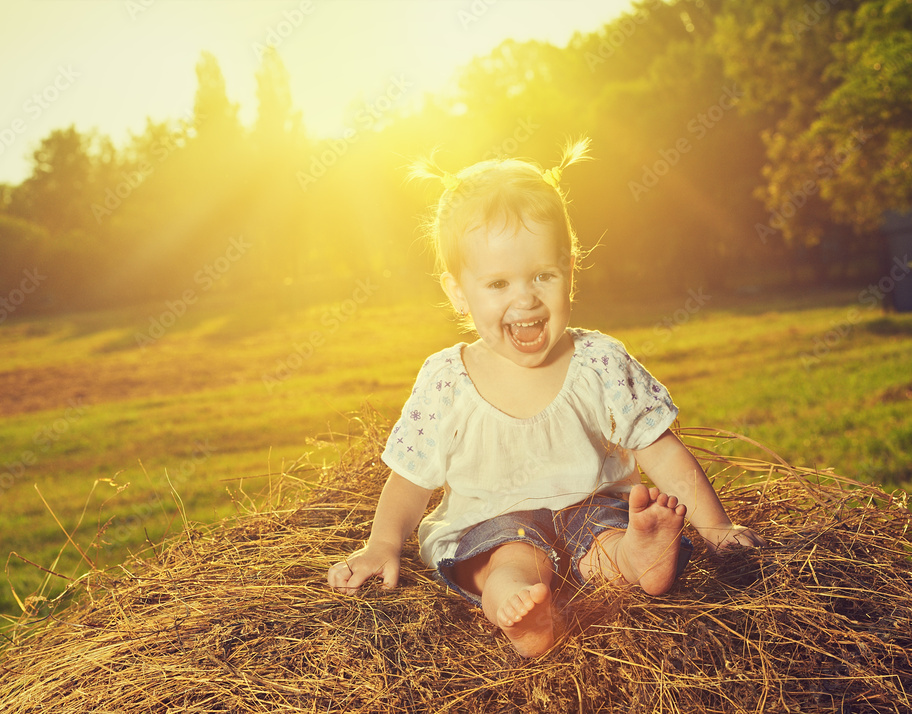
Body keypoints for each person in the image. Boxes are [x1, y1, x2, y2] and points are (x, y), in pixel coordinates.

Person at [326, 139, 765, 657]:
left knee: (605, 540)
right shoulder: (448, 378)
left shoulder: (599, 361)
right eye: (497, 282)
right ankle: (522, 614)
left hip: (593, 511)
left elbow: (660, 448)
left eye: (542, 275)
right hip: (491, 527)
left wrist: (716, 528)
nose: (525, 297)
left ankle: (635, 558)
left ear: (570, 268)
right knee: (508, 562)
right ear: (457, 292)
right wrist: (382, 544)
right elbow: (410, 479)